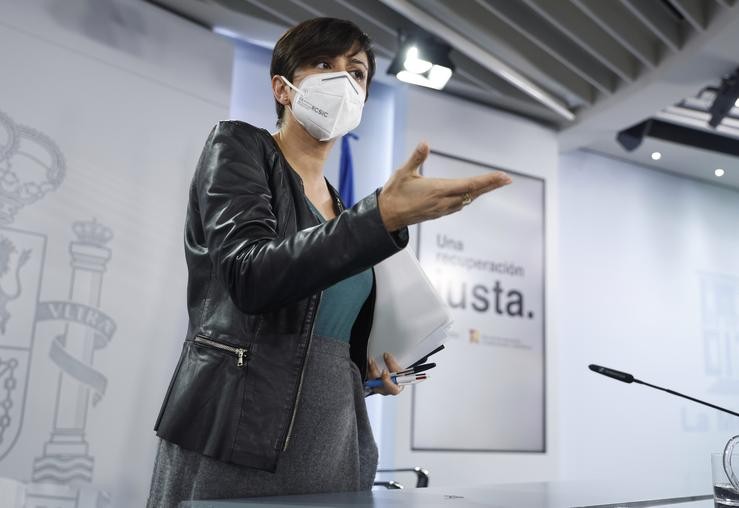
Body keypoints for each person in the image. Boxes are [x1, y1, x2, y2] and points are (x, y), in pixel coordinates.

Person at [146, 17, 511, 507]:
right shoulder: (238, 148)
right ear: (283, 87)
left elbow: (318, 331)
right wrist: (377, 217)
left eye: (357, 72)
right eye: (323, 64)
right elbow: (250, 276)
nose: (344, 80)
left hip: (337, 442)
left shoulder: (343, 210)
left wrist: (359, 369)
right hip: (240, 436)